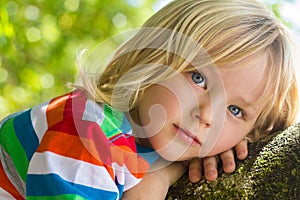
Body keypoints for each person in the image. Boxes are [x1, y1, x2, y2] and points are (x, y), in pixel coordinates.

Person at [0, 0, 298, 199]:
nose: (208, 116)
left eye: (235, 110)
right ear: (151, 58)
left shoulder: (150, 147)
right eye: (198, 79)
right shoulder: (90, 132)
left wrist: (166, 171)